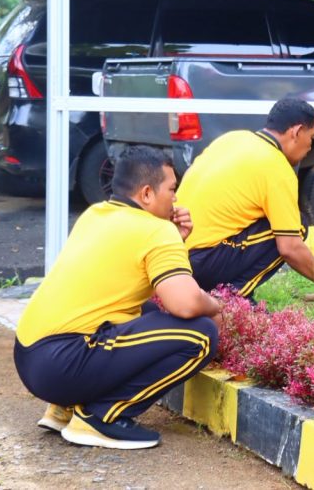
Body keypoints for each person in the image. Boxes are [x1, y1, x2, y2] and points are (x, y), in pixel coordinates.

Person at [14, 146, 221, 450]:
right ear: (147, 194)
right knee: (201, 333)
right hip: (62, 364)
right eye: (172, 189)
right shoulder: (155, 230)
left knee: (147, 311)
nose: (176, 199)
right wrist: (216, 306)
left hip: (30, 357)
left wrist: (175, 240)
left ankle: (66, 407)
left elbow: (125, 282)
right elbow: (186, 303)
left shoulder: (96, 214)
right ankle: (101, 417)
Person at [176, 98, 314, 303]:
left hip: (174, 256)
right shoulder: (276, 166)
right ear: (297, 131)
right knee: (296, 227)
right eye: (311, 138)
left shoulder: (233, 139)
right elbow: (290, 247)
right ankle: (232, 300)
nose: (310, 147)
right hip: (202, 262)